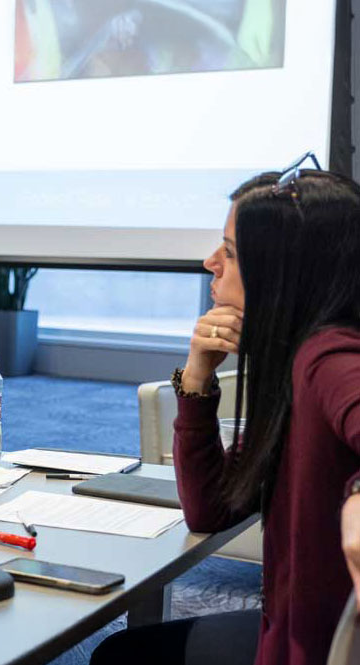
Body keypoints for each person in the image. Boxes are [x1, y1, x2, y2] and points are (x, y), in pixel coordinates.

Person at [91, 158, 360, 665]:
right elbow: (211, 508)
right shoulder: (292, 361)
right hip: (288, 627)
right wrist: (196, 379)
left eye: (231, 253)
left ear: (282, 271)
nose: (210, 262)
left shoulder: (326, 357)